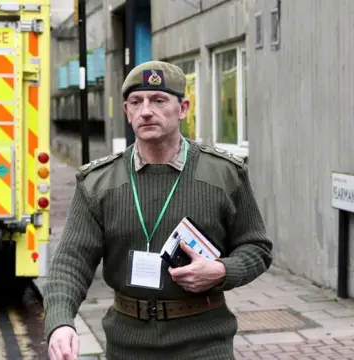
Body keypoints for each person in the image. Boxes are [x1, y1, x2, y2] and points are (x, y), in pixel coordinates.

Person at [43, 60, 273, 360]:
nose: (146, 111)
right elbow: (71, 262)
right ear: (126, 112)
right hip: (127, 346)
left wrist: (222, 271)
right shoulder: (99, 183)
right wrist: (60, 323)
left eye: (159, 100)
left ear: (183, 108)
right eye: (136, 102)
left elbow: (257, 247)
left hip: (205, 343)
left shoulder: (223, 174)